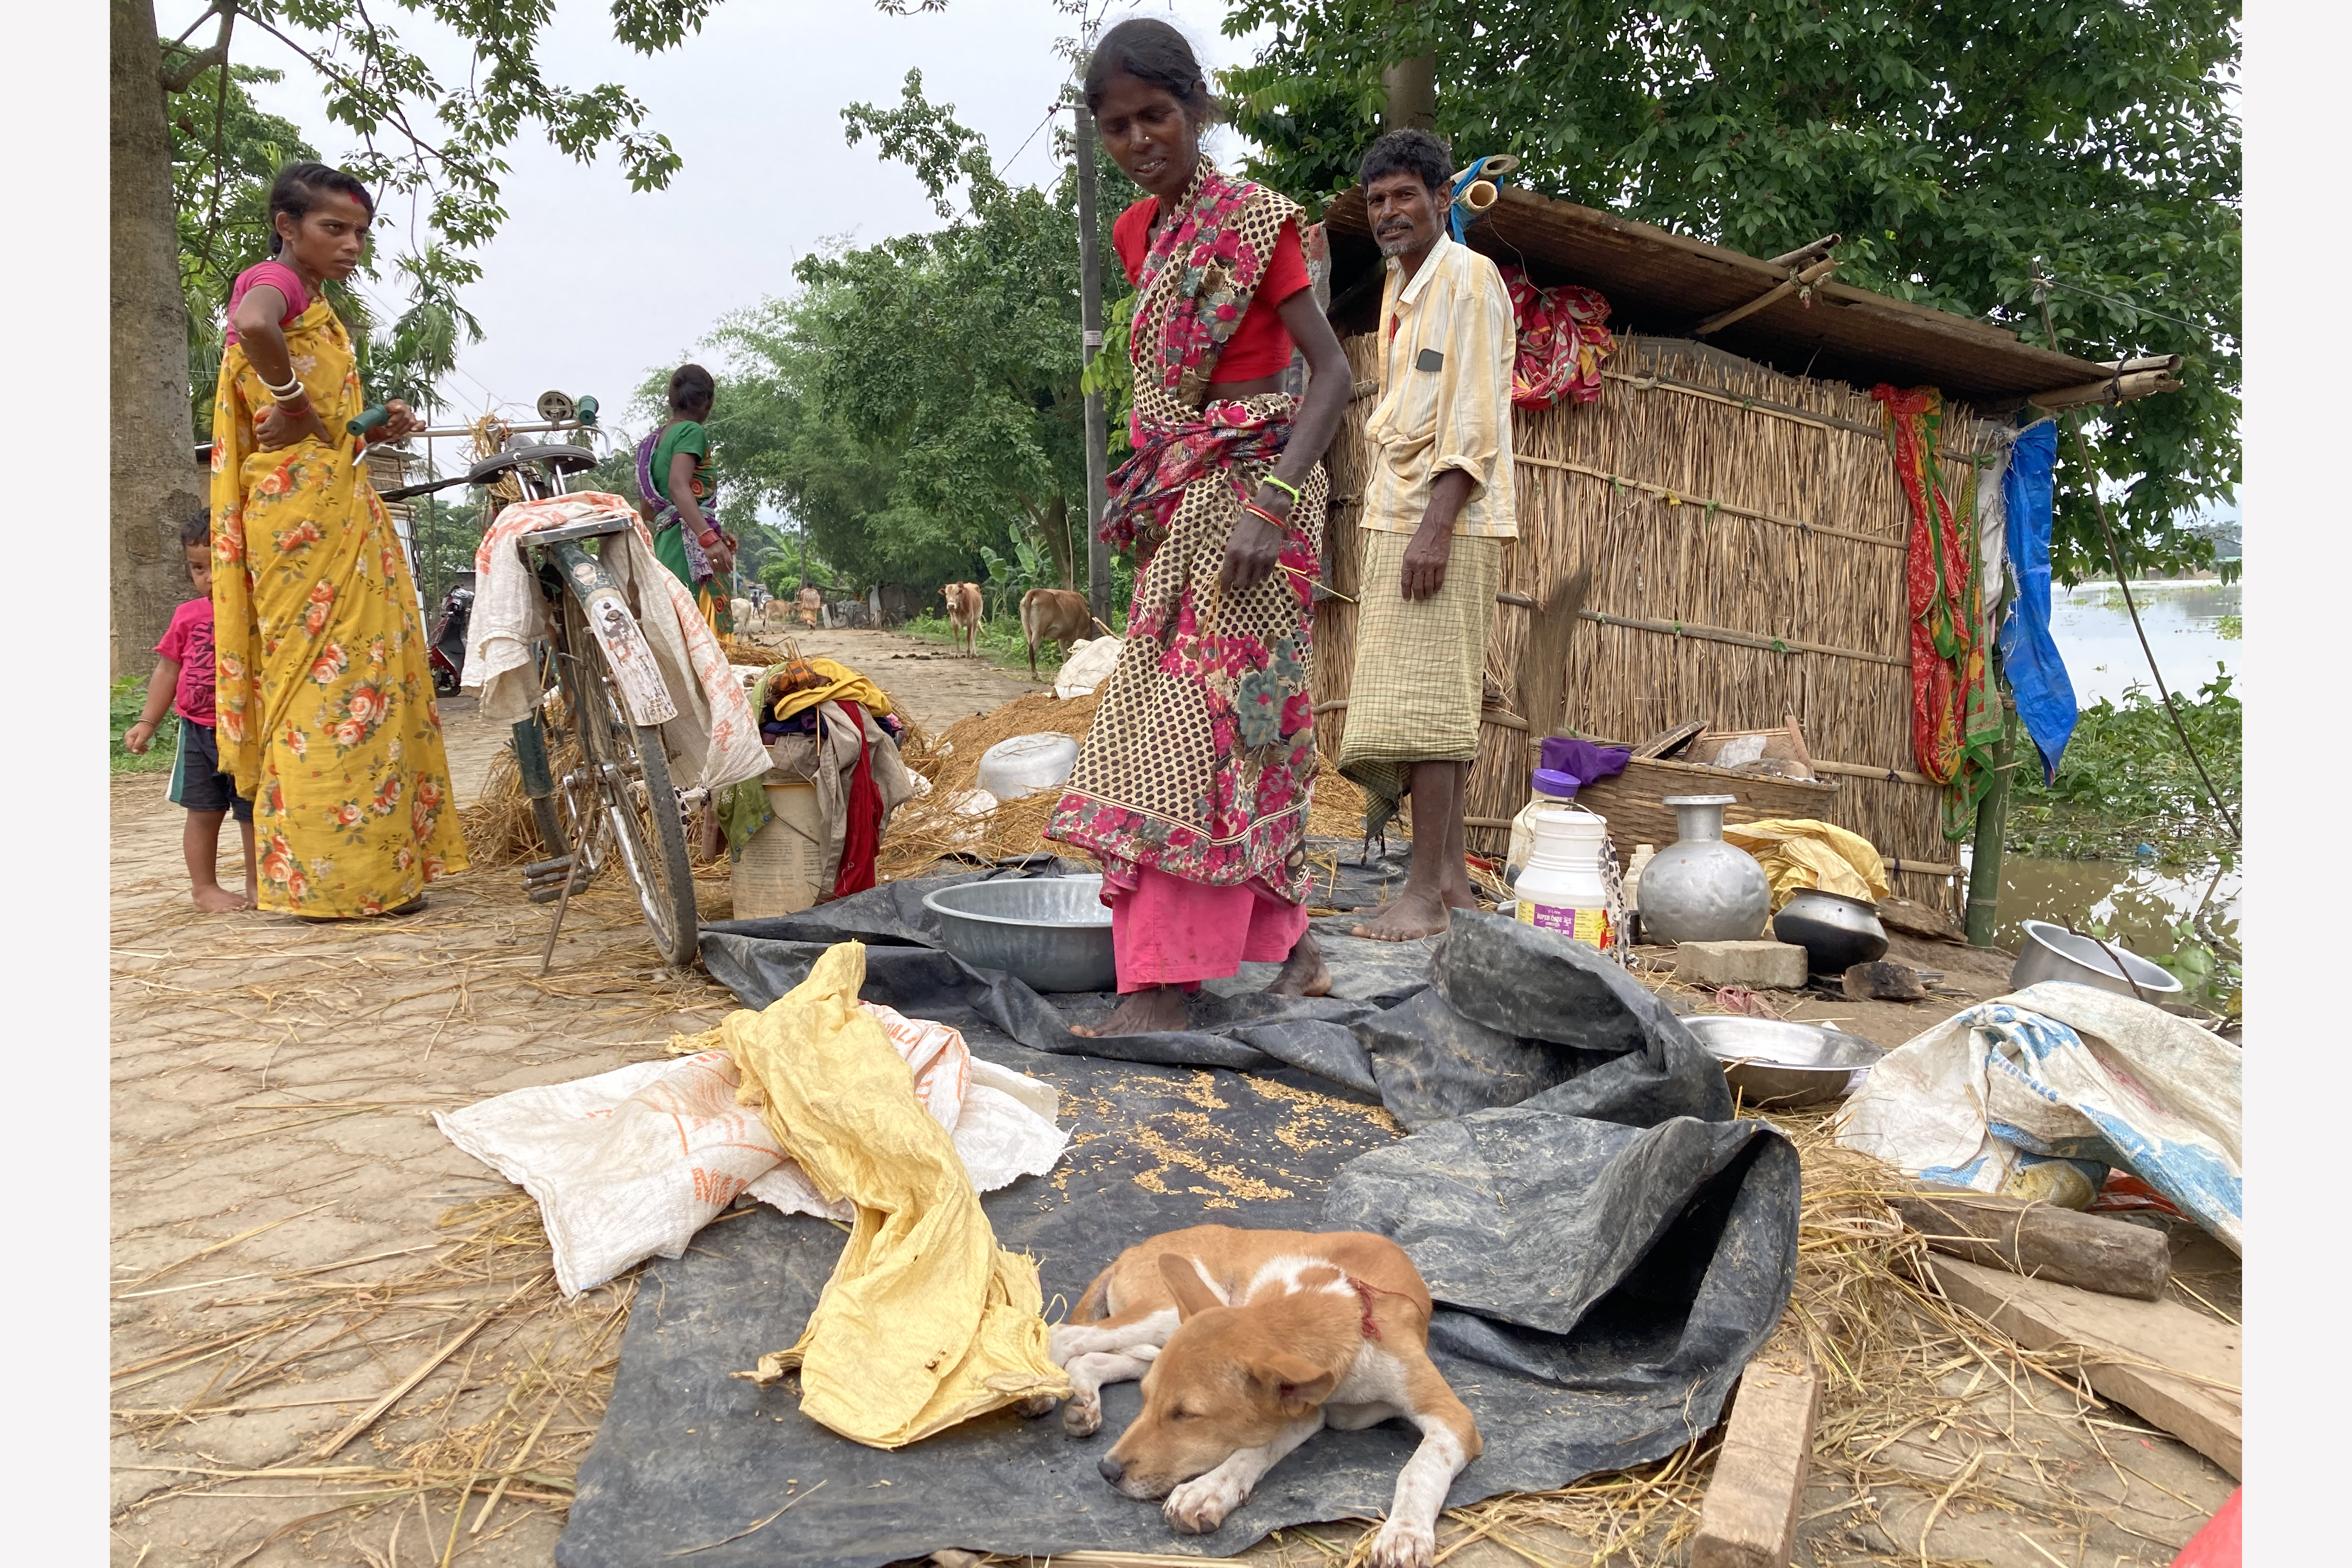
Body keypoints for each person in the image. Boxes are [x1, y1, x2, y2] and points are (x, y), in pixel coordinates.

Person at [1043, 17, 1354, 1036]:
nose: (1140, 140)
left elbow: (1331, 377)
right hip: (1186, 497)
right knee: (1238, 735)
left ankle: (1167, 985)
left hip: (1259, 499)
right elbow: (1171, 387)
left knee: (1198, 727)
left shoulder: (1255, 222)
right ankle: (1295, 947)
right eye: (1118, 126)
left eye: (1156, 116)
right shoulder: (1139, 233)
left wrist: (1269, 501)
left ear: (1196, 109)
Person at [209, 161, 470, 918]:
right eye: (334, 228)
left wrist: (368, 426)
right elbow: (255, 326)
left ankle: (368, 872)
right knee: (326, 687)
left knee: (360, 680)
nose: (352, 244)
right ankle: (334, 881)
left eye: (361, 231)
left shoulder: (316, 301)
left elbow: (320, 432)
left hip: (333, 504)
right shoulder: (276, 281)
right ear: (288, 227)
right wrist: (291, 402)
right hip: (300, 525)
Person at [1336, 129, 1521, 942]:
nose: (1389, 213)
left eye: (1405, 195)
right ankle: (1447, 883)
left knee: (1430, 708)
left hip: (1441, 519)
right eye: (1377, 201)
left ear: (1443, 198)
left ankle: (1421, 893)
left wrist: (1436, 527)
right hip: (1399, 512)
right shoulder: (1401, 288)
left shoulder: (1467, 280)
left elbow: (1473, 416)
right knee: (1417, 701)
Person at [124, 512, 258, 911]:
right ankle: (204, 888)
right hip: (198, 732)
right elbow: (168, 668)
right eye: (199, 568)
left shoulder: (261, 612)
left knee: (253, 812)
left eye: (220, 566)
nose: (210, 578)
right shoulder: (187, 615)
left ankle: (258, 884)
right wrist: (148, 721)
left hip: (249, 731)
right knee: (203, 811)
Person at [637, 365, 738, 634]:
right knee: (708, 638)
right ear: (708, 401)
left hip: (665, 550)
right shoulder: (692, 432)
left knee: (679, 634)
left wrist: (708, 526)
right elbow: (679, 486)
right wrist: (706, 535)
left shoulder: (651, 443)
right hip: (692, 553)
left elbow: (648, 510)